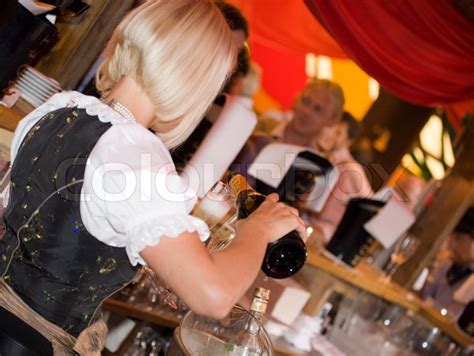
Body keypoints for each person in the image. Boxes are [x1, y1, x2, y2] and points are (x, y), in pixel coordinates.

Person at [0, 1, 306, 354]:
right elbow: (214, 297)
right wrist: (260, 229)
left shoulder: (61, 109)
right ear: (191, 79)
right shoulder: (135, 154)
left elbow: (54, 225)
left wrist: (153, 264)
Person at [421, 207, 474, 320]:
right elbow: (423, 296)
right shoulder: (446, 265)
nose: (450, 245)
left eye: (458, 238)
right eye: (451, 237)